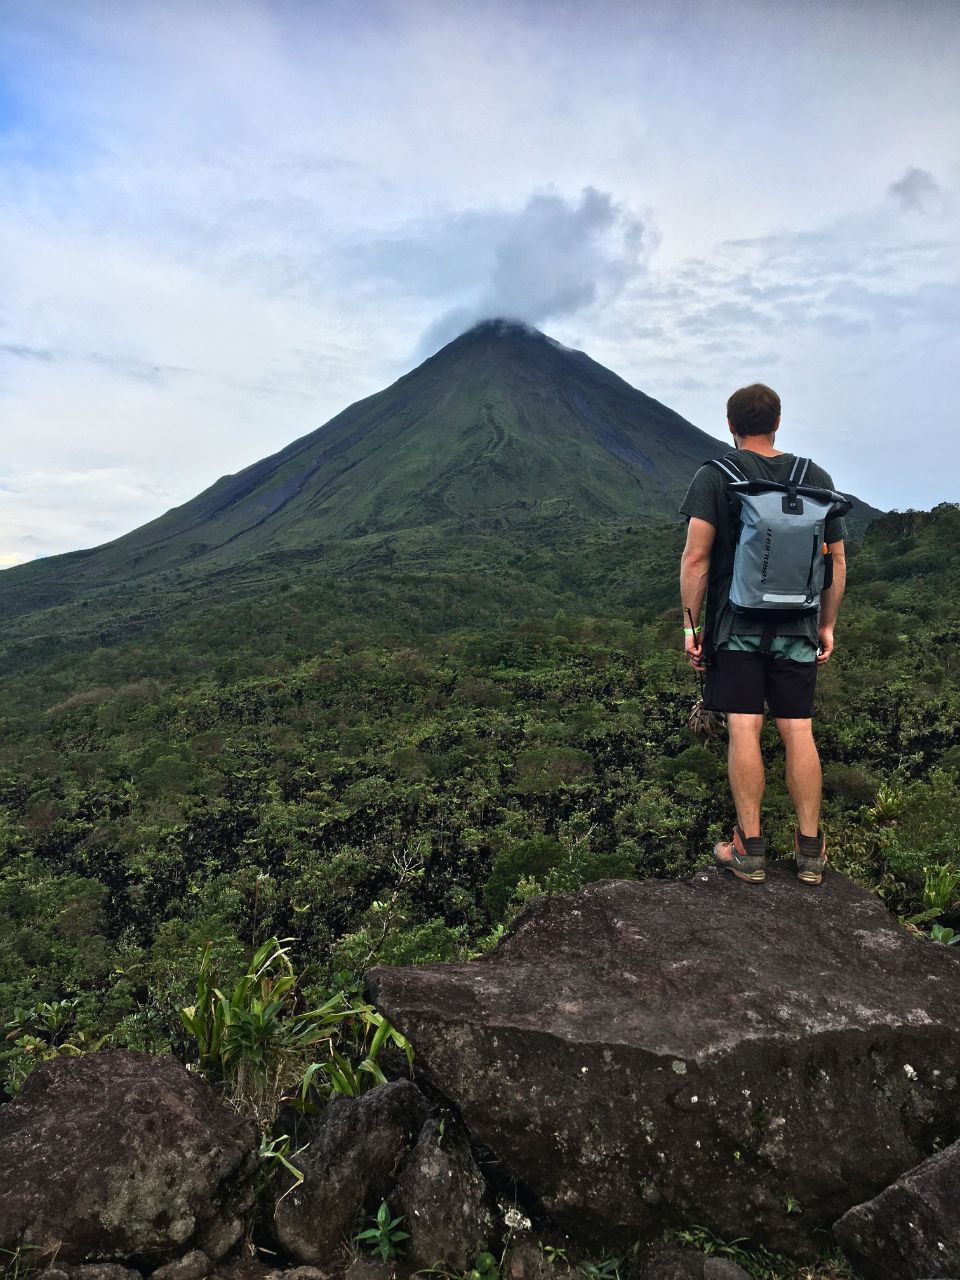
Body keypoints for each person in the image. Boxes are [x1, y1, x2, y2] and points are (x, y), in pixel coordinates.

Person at [678, 383, 847, 886]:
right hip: (798, 624)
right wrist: (826, 624)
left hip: (736, 627)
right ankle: (810, 851)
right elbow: (836, 560)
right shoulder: (811, 476)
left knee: (745, 727)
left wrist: (691, 625)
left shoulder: (716, 475)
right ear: (778, 422)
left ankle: (748, 850)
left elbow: (695, 558)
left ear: (730, 425)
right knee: (798, 729)